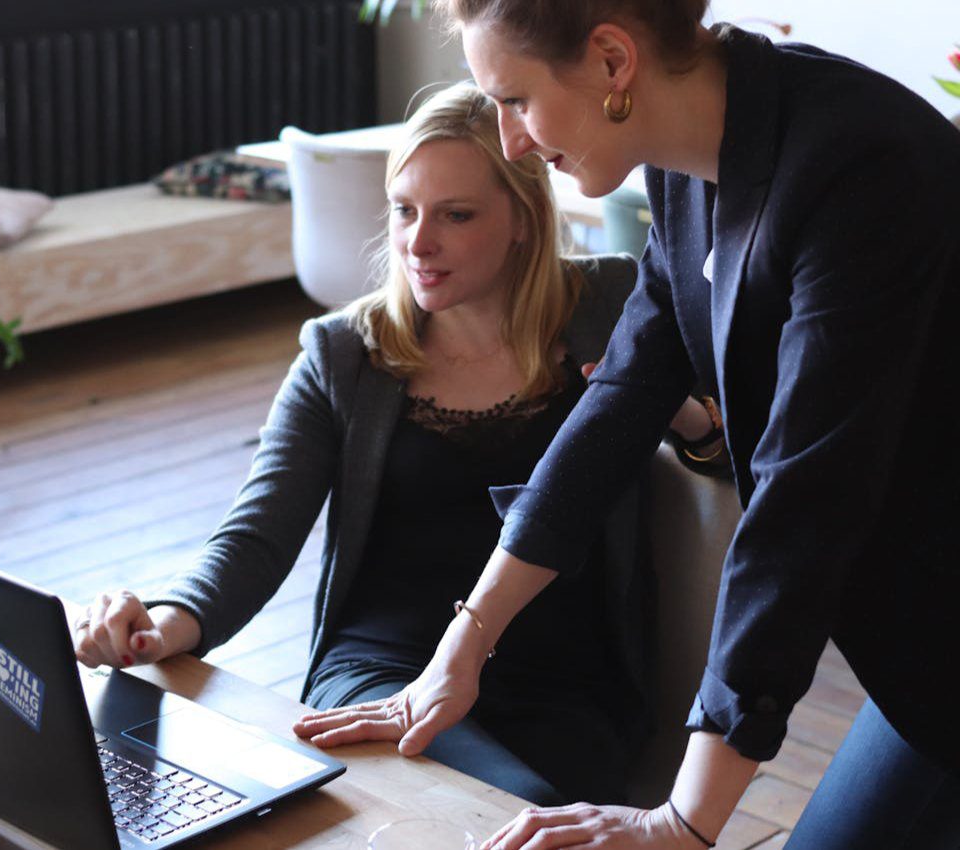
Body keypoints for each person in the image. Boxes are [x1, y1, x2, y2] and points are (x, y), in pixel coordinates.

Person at [294, 3, 960, 849]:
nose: (511, 143)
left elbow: (805, 504)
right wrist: (461, 649)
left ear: (613, 61)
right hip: (919, 637)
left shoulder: (860, 164)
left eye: (516, 100)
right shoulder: (689, 168)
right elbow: (621, 400)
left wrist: (681, 823)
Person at [73, 81, 721, 806]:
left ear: (523, 220)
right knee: (495, 809)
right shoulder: (345, 354)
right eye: (405, 210)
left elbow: (734, 458)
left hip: (565, 685)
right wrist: (164, 624)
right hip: (382, 671)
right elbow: (256, 535)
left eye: (456, 215)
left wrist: (683, 417)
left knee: (521, 808)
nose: (418, 242)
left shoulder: (613, 304)